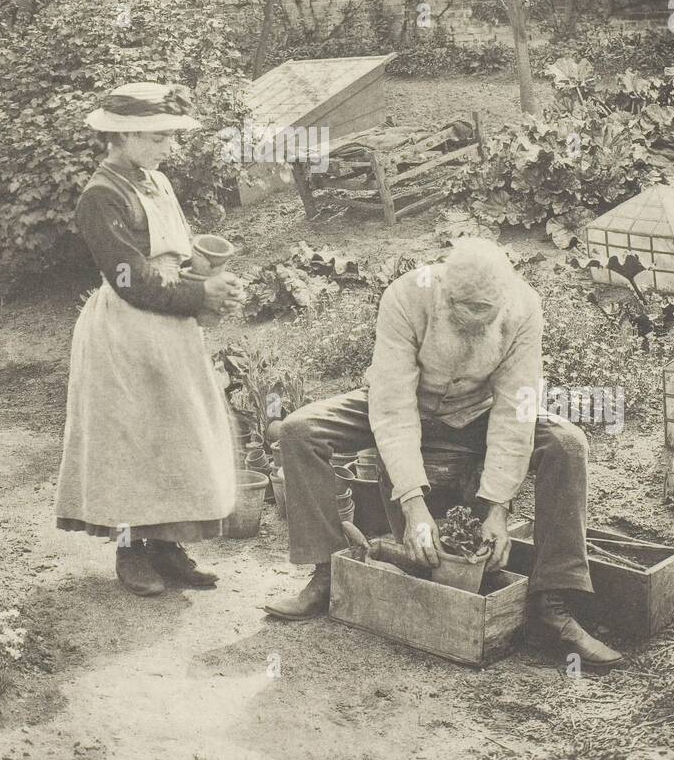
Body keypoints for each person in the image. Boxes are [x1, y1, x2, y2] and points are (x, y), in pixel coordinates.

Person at [263, 238, 623, 669]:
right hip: (404, 401)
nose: (474, 320)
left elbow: (514, 409)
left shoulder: (524, 306)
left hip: (478, 412)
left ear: (503, 299)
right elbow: (393, 407)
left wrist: (498, 509)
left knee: (567, 443)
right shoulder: (407, 294)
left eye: (484, 313)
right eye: (464, 310)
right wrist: (413, 506)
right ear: (445, 292)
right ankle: (328, 574)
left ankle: (551, 605)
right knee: (301, 431)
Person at [55, 81, 245, 596]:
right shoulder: (100, 197)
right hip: (127, 330)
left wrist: (207, 277)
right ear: (126, 134)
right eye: (160, 136)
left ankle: (167, 546)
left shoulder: (156, 182)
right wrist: (199, 293)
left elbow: (172, 257)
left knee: (175, 435)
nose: (169, 148)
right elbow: (132, 280)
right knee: (132, 440)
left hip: (170, 328)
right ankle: (130, 550)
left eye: (170, 137)